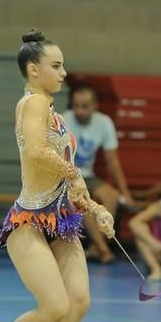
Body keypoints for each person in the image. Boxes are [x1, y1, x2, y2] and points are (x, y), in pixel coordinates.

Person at [0, 30, 114, 322]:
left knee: (78, 301)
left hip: (62, 222)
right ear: (34, 70)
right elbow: (38, 151)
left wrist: (97, 209)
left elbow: (69, 176)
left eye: (63, 65)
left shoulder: (53, 113)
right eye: (56, 66)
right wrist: (75, 175)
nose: (64, 73)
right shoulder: (33, 104)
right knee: (55, 306)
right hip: (30, 223)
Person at [63, 84, 133, 263]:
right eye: (76, 106)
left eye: (84, 106)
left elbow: (113, 162)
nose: (79, 110)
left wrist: (125, 192)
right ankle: (103, 250)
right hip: (66, 175)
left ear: (95, 106)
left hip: (87, 175)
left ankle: (96, 247)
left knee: (112, 196)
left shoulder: (104, 122)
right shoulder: (64, 120)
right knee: (82, 202)